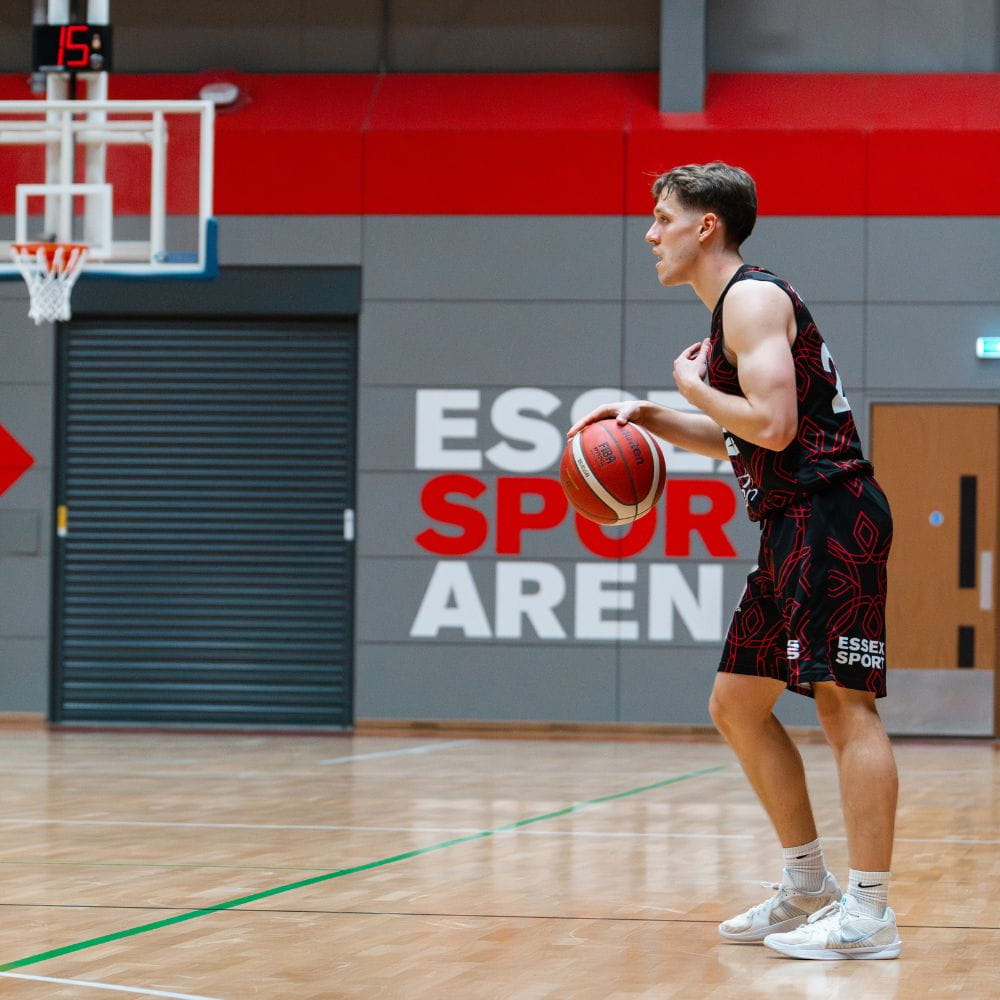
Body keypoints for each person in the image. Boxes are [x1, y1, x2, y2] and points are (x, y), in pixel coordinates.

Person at [567, 162, 900, 960]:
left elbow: (776, 426)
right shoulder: (731, 320)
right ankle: (806, 884)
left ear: (705, 225)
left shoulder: (749, 300)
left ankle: (871, 912)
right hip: (789, 522)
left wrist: (686, 381)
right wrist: (652, 412)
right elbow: (737, 432)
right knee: (735, 704)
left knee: (843, 707)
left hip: (830, 513)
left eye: (662, 217)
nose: (651, 233)